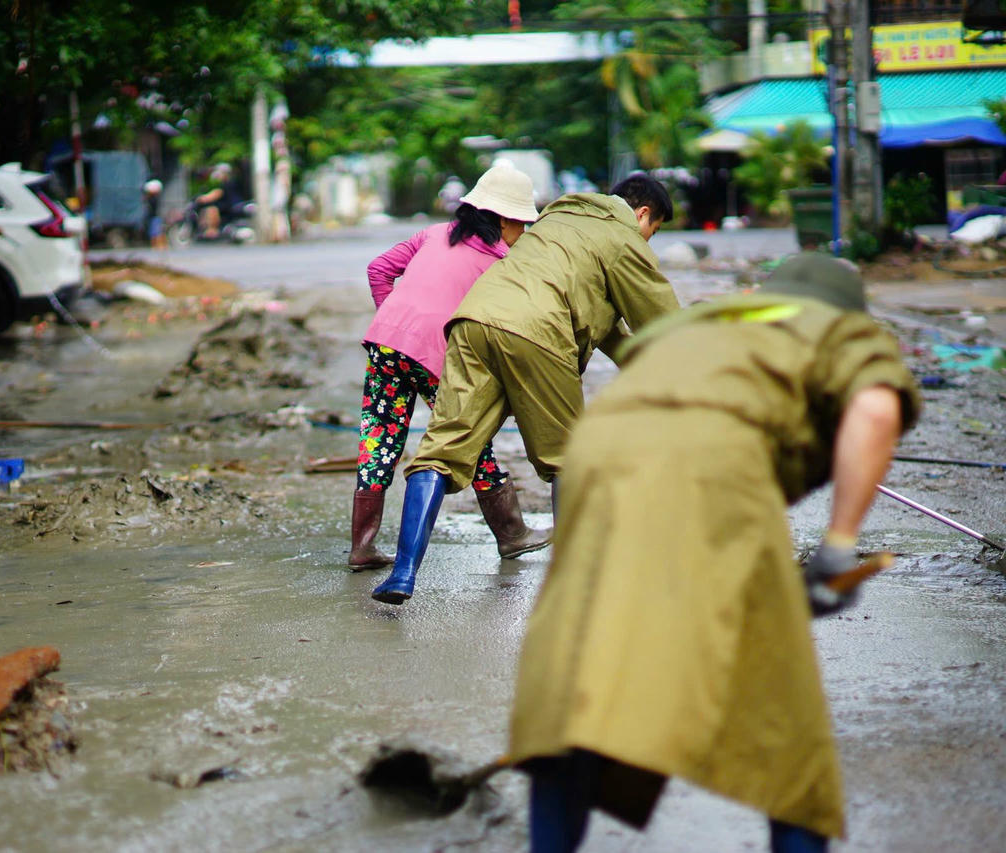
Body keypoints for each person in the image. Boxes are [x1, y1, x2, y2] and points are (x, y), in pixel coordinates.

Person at [507, 253, 922, 853]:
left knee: (578, 686)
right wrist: (837, 546)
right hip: (708, 468)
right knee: (787, 724)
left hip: (596, 463)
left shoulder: (707, 321)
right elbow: (877, 409)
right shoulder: (838, 329)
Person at [371, 173, 679, 605]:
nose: (649, 239)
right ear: (642, 214)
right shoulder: (623, 238)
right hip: (539, 332)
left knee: (441, 449)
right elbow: (663, 324)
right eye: (654, 230)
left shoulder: (556, 219)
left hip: (475, 321)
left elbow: (603, 322)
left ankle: (403, 574)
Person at [351, 163, 550, 570]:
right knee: (466, 436)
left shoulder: (434, 233)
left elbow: (379, 269)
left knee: (379, 438)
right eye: (522, 223)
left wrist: (395, 321)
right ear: (503, 220)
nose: (524, 232)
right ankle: (512, 533)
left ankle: (362, 546)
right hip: (435, 357)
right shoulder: (502, 264)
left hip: (386, 344)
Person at [195, 163, 244, 240]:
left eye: (220, 173)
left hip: (231, 205)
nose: (218, 176)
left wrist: (204, 198)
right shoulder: (225, 183)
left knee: (212, 208)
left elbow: (217, 193)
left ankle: (212, 230)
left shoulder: (229, 183)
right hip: (228, 204)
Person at [143, 179, 167, 250]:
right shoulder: (153, 198)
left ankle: (159, 245)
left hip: (155, 217)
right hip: (153, 217)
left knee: (157, 232)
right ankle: (156, 245)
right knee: (155, 232)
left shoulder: (153, 199)